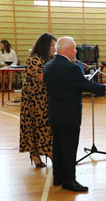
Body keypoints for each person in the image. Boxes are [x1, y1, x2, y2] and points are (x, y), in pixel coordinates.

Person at [44, 36, 106, 192]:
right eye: (74, 48)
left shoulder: (48, 65)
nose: (76, 51)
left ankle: (58, 177)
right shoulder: (71, 68)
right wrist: (104, 87)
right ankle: (69, 181)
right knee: (69, 148)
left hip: (55, 113)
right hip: (69, 115)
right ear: (67, 50)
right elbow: (83, 84)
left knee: (58, 147)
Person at [19, 33, 57, 168]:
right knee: (36, 127)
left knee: (46, 127)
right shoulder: (34, 60)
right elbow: (44, 78)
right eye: (52, 45)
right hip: (34, 101)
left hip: (45, 98)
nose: (54, 48)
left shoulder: (48, 59)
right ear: (45, 46)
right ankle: (37, 155)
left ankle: (48, 152)